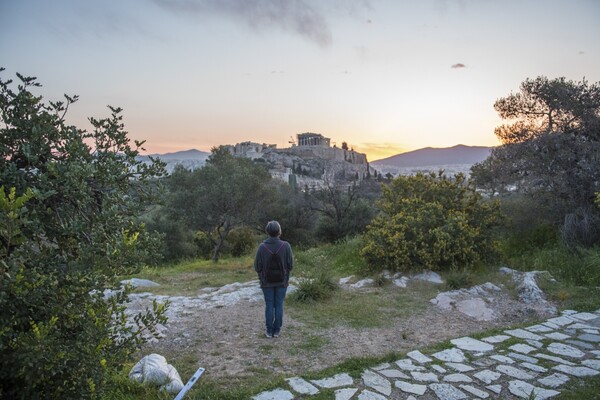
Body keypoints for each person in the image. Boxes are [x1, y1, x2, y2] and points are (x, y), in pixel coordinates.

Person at [254, 220, 293, 338]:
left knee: (269, 305)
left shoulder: (262, 247)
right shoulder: (286, 246)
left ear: (267, 232)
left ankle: (269, 331)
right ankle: (277, 331)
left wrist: (262, 275)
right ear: (279, 231)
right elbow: (290, 265)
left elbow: (257, 267)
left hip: (266, 282)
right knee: (279, 304)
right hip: (282, 281)